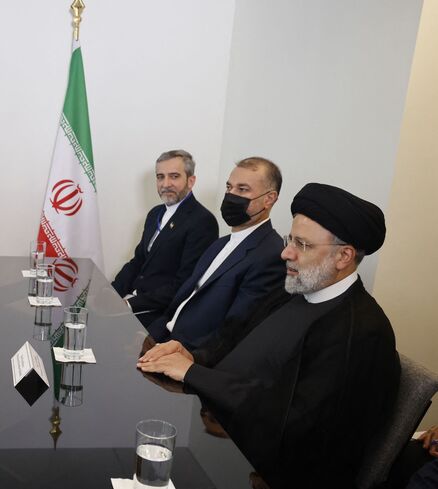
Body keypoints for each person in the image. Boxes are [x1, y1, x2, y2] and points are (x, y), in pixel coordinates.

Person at [138, 182, 400, 489]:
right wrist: (192, 355)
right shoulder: (295, 289)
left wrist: (195, 374)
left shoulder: (361, 332)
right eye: (290, 239)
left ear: (344, 256)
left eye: (302, 245)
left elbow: (295, 423)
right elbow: (232, 336)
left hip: (267, 471)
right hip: (222, 427)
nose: (285, 252)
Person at [144, 157, 286, 350]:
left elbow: (234, 330)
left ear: (269, 199)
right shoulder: (220, 244)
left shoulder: (271, 255)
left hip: (186, 354)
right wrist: (151, 335)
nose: (231, 195)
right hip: (161, 339)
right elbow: (182, 300)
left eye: (242, 189)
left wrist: (182, 356)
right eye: (229, 188)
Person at [111, 149, 218, 327]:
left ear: (191, 181)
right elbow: (138, 261)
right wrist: (111, 293)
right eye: (160, 177)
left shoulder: (202, 221)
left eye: (174, 176)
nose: (165, 184)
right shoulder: (155, 213)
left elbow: (185, 283)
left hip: (158, 312)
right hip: (133, 299)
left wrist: (128, 304)